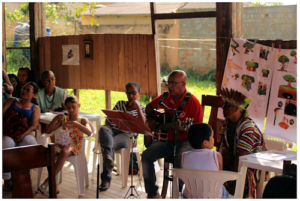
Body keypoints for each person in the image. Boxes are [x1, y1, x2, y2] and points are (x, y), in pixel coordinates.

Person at [142, 70, 203, 198]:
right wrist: (151, 119)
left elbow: (198, 131)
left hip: (186, 141)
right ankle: (152, 193)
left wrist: (184, 129)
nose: (170, 86)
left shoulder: (193, 103)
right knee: (147, 155)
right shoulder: (165, 97)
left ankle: (180, 194)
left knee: (180, 157)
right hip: (167, 140)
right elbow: (148, 106)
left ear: (183, 84)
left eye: (174, 83)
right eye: (169, 82)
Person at [218, 86, 267, 198]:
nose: (222, 107)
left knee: (242, 180)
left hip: (251, 168)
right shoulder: (227, 124)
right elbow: (225, 147)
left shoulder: (247, 127)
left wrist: (230, 178)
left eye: (226, 105)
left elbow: (242, 156)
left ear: (235, 108)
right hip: (235, 163)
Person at [38, 96, 92, 195]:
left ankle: (47, 182)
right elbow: (48, 131)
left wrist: (75, 123)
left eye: (73, 107)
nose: (71, 110)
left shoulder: (82, 120)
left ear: (78, 106)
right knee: (50, 151)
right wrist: (56, 119)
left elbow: (89, 132)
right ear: (65, 108)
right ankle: (53, 183)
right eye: (68, 108)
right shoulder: (64, 119)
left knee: (64, 152)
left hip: (74, 147)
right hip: (62, 144)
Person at [98, 82, 146, 191]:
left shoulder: (143, 109)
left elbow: (143, 126)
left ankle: (106, 175)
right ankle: (108, 157)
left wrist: (138, 108)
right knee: (103, 128)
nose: (131, 96)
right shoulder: (120, 104)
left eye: (134, 93)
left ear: (140, 93)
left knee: (107, 147)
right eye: (128, 93)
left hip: (127, 136)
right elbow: (109, 118)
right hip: (113, 131)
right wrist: (108, 125)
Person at [2, 82, 40, 191]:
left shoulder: (35, 108)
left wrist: (23, 135)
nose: (24, 91)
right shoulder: (11, 100)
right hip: (8, 132)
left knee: (31, 144)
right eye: (24, 88)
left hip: (24, 133)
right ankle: (7, 178)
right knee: (6, 143)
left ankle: (26, 175)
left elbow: (33, 126)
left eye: (28, 90)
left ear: (34, 95)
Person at [181, 123, 231, 199]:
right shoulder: (216, 156)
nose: (213, 139)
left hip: (191, 196)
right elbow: (219, 177)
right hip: (213, 196)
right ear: (205, 143)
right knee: (223, 189)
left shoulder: (184, 156)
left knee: (186, 187)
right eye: (212, 137)